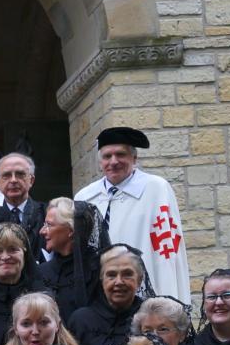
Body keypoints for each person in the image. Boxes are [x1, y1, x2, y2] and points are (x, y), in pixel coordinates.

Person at [75, 127, 190, 301]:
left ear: (134, 158)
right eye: (107, 156)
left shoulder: (155, 189)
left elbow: (166, 249)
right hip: (98, 294)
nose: (113, 161)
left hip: (144, 290)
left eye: (120, 154)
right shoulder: (85, 197)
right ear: (100, 162)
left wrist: (166, 296)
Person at [68, 245, 151, 345]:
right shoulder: (81, 320)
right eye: (111, 275)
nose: (119, 282)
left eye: (127, 274)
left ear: (139, 279)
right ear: (102, 279)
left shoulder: (150, 319)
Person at [35, 198, 104, 316]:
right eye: (44, 224)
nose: (42, 231)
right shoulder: (42, 271)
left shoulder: (99, 270)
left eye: (49, 225)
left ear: (71, 230)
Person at [0, 153, 44, 243]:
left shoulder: (47, 215)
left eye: (20, 174)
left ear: (31, 180)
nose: (13, 180)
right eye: (6, 175)